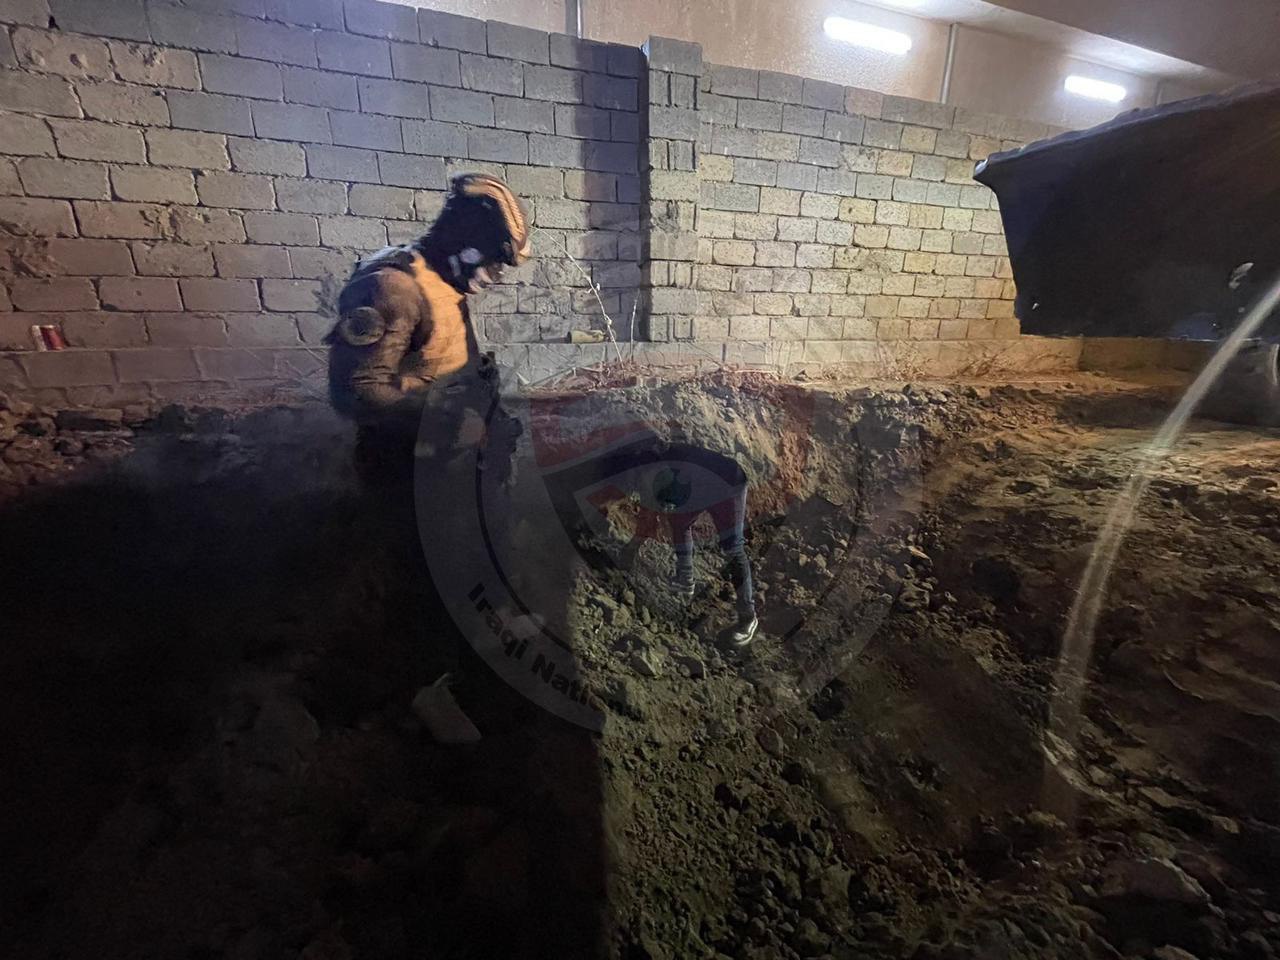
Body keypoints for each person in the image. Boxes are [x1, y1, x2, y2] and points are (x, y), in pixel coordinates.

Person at [325, 173, 530, 477]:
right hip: (405, 471)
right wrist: (448, 420)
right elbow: (358, 390)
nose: (492, 276)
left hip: (448, 465)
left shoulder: (442, 281)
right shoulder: (394, 286)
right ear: (461, 238)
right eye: (490, 261)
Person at [557, 434, 759, 648]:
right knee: (680, 523)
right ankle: (685, 580)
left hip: (727, 484)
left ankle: (748, 617)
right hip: (694, 487)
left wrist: (631, 549)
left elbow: (649, 519)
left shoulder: (656, 474)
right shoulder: (647, 466)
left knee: (732, 548)